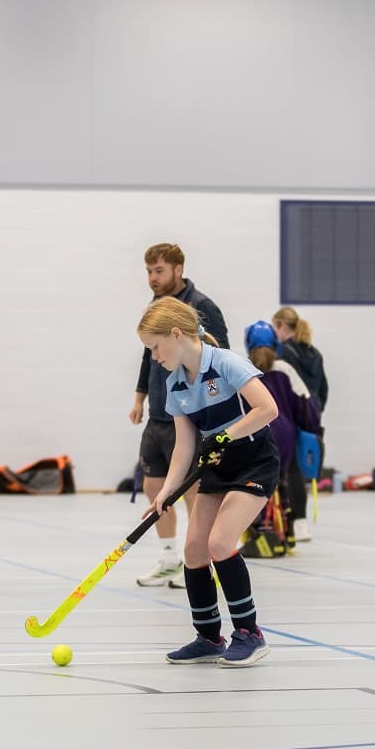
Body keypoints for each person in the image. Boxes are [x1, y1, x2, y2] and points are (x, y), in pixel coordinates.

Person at [140, 297, 279, 666]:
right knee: (195, 551)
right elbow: (184, 446)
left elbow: (268, 410)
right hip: (216, 468)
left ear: (175, 334)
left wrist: (225, 435)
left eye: (155, 347)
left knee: (220, 542)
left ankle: (250, 634)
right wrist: (167, 491)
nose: (154, 356)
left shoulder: (228, 364)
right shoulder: (175, 385)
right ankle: (208, 636)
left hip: (254, 462)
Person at [131, 243, 228, 588]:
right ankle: (169, 557)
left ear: (178, 269)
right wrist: (140, 397)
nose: (152, 278)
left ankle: (199, 560)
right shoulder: (157, 308)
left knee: (191, 490)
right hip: (159, 414)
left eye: (158, 271)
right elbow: (147, 356)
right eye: (148, 271)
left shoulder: (201, 307)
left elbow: (219, 357)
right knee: (154, 486)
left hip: (189, 417)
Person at [244, 321, 321, 548]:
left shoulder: (244, 368)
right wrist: (311, 428)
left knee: (255, 481)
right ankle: (288, 530)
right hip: (285, 433)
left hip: (255, 432)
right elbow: (306, 404)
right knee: (284, 479)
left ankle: (260, 530)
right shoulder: (285, 369)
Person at [271, 306, 329, 411]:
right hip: (311, 415)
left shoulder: (281, 352)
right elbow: (323, 389)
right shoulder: (315, 353)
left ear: (281, 325)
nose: (274, 334)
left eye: (274, 328)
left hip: (292, 415)